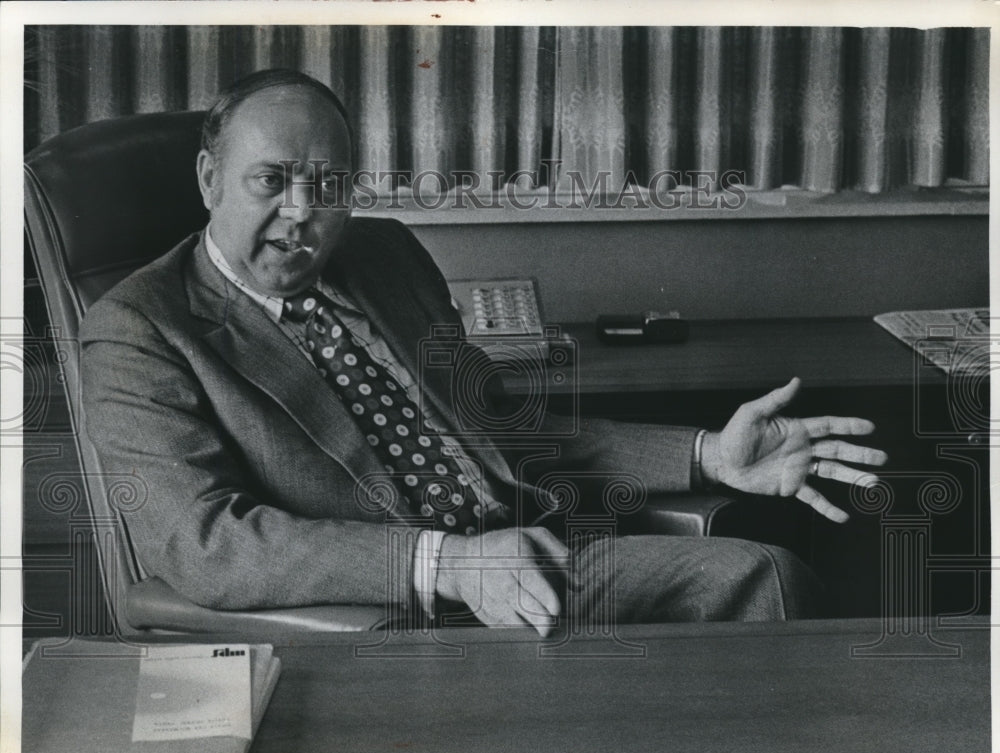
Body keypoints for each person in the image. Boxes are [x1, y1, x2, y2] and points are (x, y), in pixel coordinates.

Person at [79, 69, 887, 636]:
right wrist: (449, 564)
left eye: (329, 186)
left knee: (772, 573)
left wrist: (712, 457)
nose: (302, 214)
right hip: (391, 605)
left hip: (529, 552)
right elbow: (203, 543)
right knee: (764, 582)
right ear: (209, 178)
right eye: (272, 181)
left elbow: (498, 424)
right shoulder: (139, 329)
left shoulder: (382, 258)